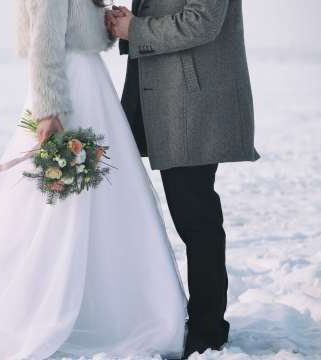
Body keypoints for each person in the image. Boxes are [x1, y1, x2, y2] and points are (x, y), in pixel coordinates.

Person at [0, 0, 188, 358]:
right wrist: (49, 110)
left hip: (89, 81)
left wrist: (106, 22)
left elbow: (77, 30)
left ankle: (104, 306)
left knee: (100, 197)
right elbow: (44, 43)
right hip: (68, 89)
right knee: (58, 199)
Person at [106, 0, 260, 357]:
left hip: (192, 105)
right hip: (162, 98)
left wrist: (136, 30)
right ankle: (189, 321)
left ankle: (208, 331)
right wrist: (120, 25)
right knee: (185, 215)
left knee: (196, 218)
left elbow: (202, 22)